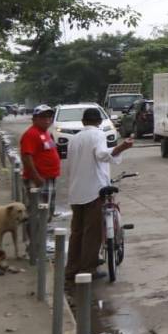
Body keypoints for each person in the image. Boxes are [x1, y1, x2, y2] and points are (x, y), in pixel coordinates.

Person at [64, 106, 133, 289]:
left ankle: (72, 268)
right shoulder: (97, 135)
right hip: (94, 190)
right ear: (99, 122)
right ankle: (87, 269)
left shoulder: (75, 139)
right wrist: (122, 147)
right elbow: (102, 155)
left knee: (77, 232)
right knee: (92, 232)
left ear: (83, 122)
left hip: (76, 191)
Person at [20, 105, 60, 214]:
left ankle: (44, 230)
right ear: (34, 119)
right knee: (38, 213)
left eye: (49, 117)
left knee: (47, 211)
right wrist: (36, 177)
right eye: (43, 117)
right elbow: (26, 157)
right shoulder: (31, 134)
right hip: (39, 180)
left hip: (49, 178)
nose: (47, 120)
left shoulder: (45, 132)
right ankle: (36, 231)